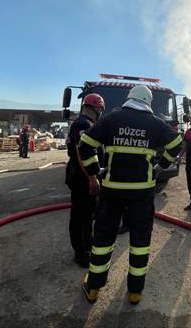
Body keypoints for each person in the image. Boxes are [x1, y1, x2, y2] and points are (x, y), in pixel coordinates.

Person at [77, 85, 182, 305]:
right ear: (148, 102)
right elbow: (177, 143)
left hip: (112, 191)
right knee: (140, 241)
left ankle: (94, 287)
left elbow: (85, 145)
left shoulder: (112, 119)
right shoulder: (155, 123)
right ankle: (135, 292)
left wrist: (96, 172)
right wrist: (159, 166)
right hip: (143, 193)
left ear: (129, 98)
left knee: (104, 239)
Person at [65, 93, 106, 268]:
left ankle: (88, 246)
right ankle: (80, 253)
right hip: (82, 177)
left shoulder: (87, 124)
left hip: (86, 176)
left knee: (89, 213)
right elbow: (82, 154)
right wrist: (92, 178)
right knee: (80, 216)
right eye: (100, 110)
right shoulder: (83, 124)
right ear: (96, 109)